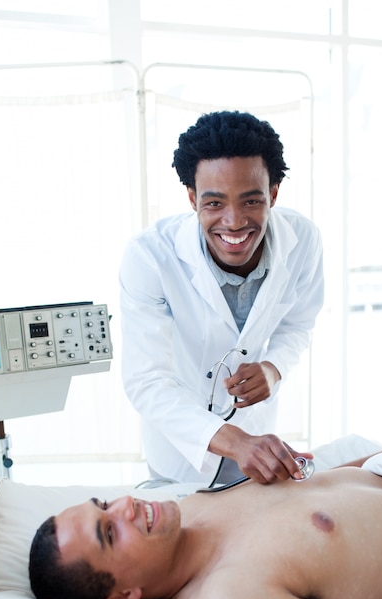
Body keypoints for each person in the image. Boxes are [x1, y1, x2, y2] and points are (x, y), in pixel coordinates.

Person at [29, 435, 382, 599]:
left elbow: (329, 488)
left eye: (104, 504)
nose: (124, 506)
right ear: (123, 598)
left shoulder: (190, 507)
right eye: (109, 533)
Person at [119, 110, 324, 485]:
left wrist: (272, 369)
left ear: (273, 194)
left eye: (250, 201)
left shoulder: (304, 241)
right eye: (214, 203)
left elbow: (297, 325)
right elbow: (146, 380)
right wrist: (235, 443)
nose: (233, 222)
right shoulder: (150, 257)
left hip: (256, 437)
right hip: (182, 447)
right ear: (192, 197)